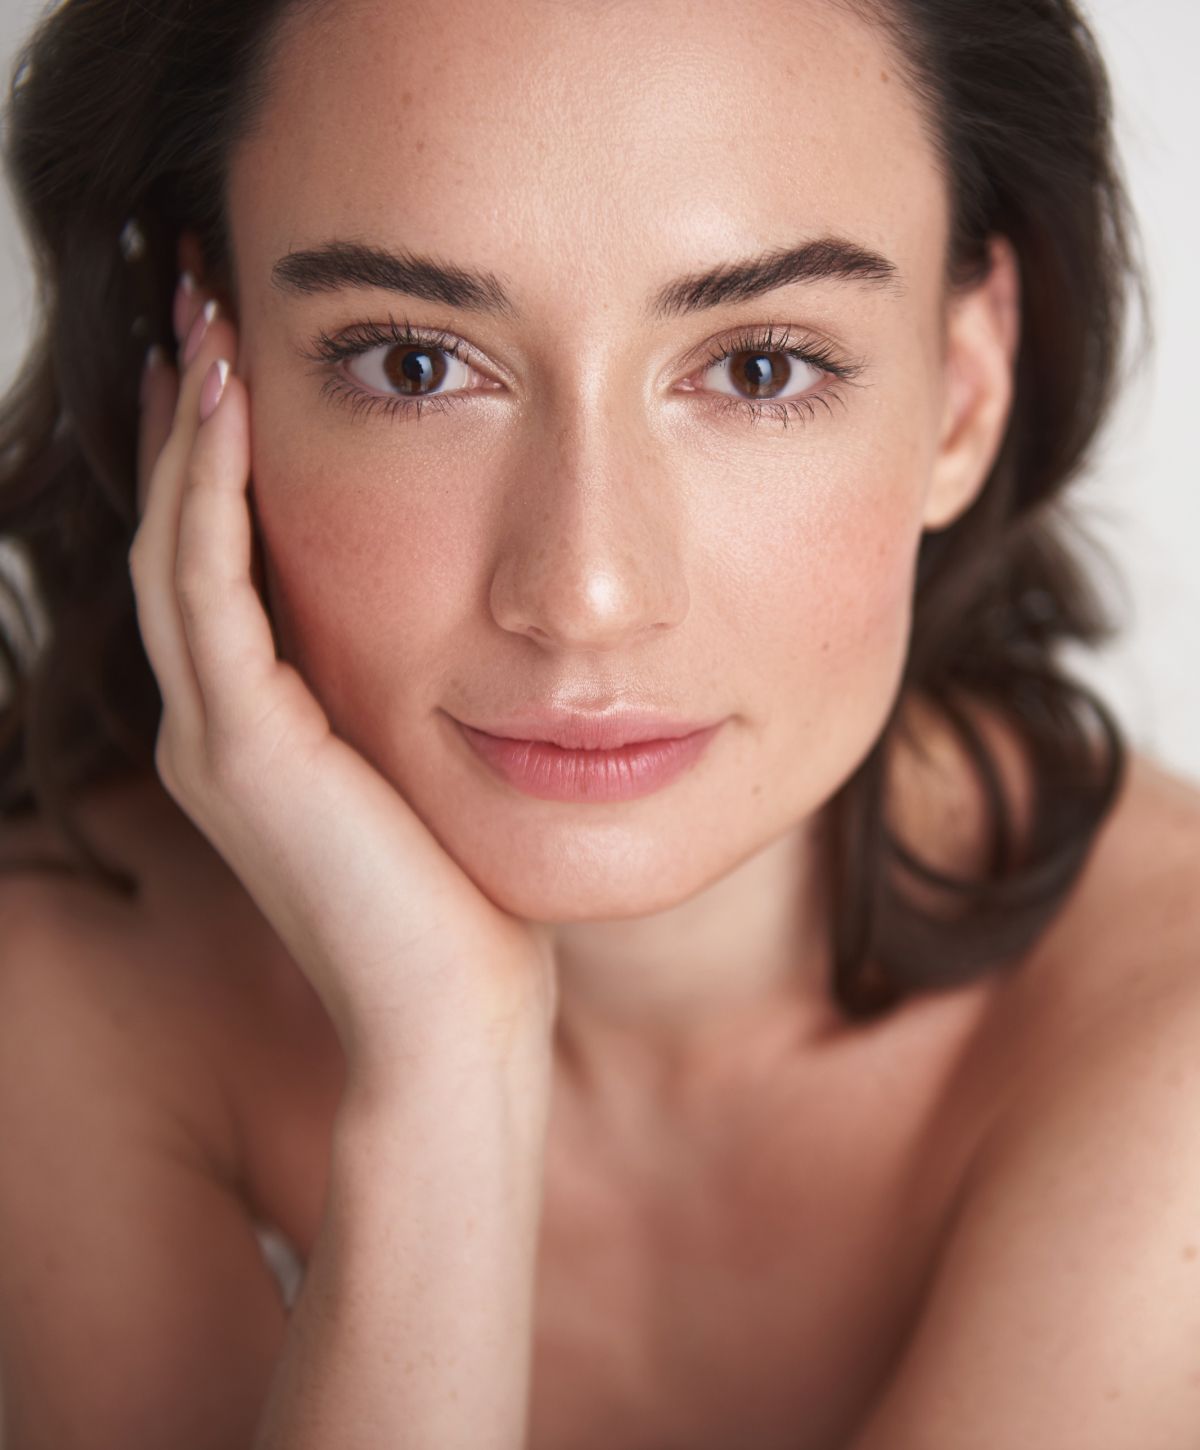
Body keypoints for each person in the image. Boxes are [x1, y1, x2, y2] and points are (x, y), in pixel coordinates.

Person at [0, 0, 1198, 1445]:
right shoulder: (64, 996)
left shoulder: (1169, 1041)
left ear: (961, 394)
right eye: (413, 364)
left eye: (759, 367)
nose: (583, 591)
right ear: (209, 364)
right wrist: (448, 1080)